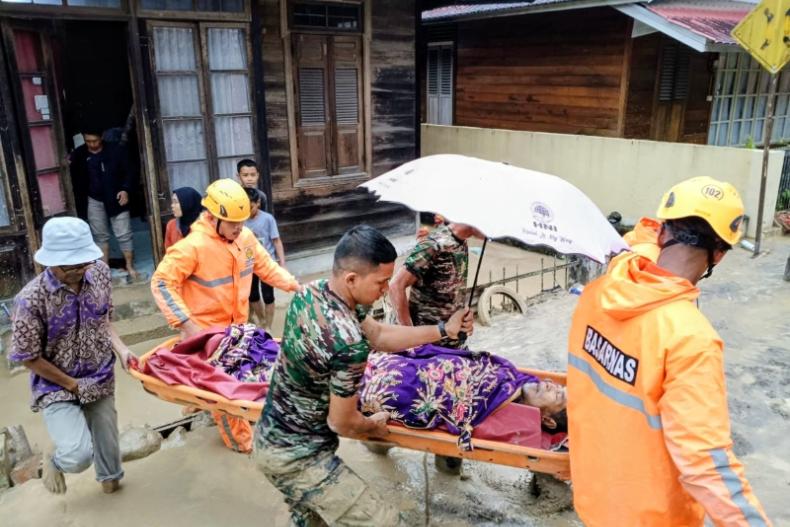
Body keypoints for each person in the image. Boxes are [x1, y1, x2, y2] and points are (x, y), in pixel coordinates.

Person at [567, 177, 772, 526]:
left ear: (662, 232)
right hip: (650, 516)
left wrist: (656, 234)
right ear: (718, 256)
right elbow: (705, 462)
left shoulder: (602, 291)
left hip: (594, 498)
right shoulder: (691, 339)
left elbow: (639, 240)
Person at [254, 225, 474, 527]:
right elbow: (342, 422)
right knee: (383, 522)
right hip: (299, 458)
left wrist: (442, 330)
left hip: (269, 437)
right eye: (382, 282)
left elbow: (381, 334)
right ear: (352, 279)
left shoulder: (312, 292)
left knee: (310, 519)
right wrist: (375, 427)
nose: (387, 289)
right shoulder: (348, 344)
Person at [151, 178, 300, 453]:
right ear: (213, 216)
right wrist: (187, 324)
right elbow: (161, 282)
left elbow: (266, 267)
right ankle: (242, 444)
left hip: (237, 326)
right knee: (226, 391)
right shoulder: (192, 246)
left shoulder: (245, 238)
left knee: (237, 377)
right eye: (233, 224)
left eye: (242, 222)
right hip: (205, 331)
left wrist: (295, 286)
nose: (239, 228)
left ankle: (197, 402)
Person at [9, 217, 137, 495]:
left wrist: (123, 350)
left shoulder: (99, 273)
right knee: (78, 456)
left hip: (100, 375)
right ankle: (54, 458)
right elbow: (28, 357)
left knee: (112, 477)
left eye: (84, 263)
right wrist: (73, 385)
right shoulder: (30, 300)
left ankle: (110, 484)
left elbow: (104, 320)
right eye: (71, 266)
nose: (80, 270)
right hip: (55, 385)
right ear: (50, 261)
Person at [388, 219, 483, 474]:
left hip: (452, 344)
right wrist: (409, 334)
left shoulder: (461, 245)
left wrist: (465, 317)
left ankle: (448, 469)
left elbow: (451, 291)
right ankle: (381, 451)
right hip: (425, 346)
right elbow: (396, 285)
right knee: (408, 404)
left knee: (452, 411)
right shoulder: (434, 244)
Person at [69, 129, 138, 280]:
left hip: (116, 196)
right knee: (100, 236)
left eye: (95, 141)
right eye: (88, 141)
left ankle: (130, 266)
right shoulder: (80, 154)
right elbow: (72, 175)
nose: (92, 144)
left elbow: (130, 172)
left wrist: (125, 189)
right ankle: (104, 270)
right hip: (94, 199)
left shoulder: (116, 151)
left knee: (124, 234)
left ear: (101, 137)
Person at [244, 187, 286, 329]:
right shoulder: (240, 221)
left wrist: (282, 263)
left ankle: (268, 326)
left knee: (268, 296)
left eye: (250, 207)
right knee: (253, 295)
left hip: (267, 263)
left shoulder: (268, 219)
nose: (247, 211)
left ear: (258, 203)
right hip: (249, 264)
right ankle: (262, 320)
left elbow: (276, 241)